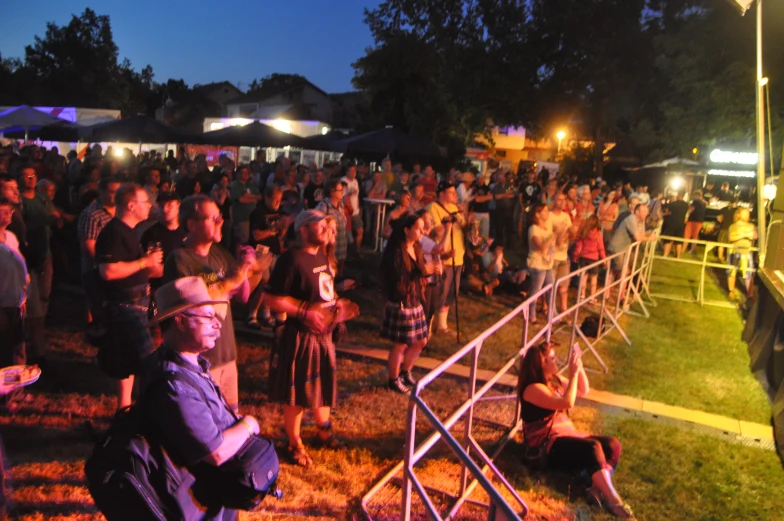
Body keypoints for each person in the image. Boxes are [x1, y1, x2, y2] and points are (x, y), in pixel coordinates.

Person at [140, 276, 259, 521]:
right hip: (197, 506)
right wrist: (249, 424)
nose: (217, 324)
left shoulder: (189, 364)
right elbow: (214, 451)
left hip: (209, 498)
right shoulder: (174, 384)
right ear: (181, 321)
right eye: (207, 317)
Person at [264, 210, 358, 467]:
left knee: (322, 383)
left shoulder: (323, 255)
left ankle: (323, 430)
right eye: (321, 224)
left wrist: (337, 304)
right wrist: (305, 312)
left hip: (324, 333)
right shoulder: (291, 260)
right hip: (301, 335)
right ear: (303, 229)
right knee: (297, 392)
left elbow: (323, 290)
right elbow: (272, 299)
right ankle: (294, 442)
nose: (327, 227)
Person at [164, 195, 265, 413]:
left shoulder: (218, 255)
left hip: (226, 354)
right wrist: (231, 280)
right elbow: (186, 302)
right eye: (213, 218)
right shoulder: (180, 259)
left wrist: (251, 269)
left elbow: (240, 295)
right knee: (206, 422)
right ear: (191, 224)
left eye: (220, 217)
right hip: (199, 359)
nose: (221, 222)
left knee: (230, 416)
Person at [519, 342, 635, 519]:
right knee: (592, 447)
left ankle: (595, 490)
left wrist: (578, 367)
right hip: (547, 446)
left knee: (613, 445)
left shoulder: (553, 380)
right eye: (552, 358)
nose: (556, 360)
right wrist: (572, 375)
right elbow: (567, 402)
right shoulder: (533, 389)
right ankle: (614, 501)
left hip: (566, 436)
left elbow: (583, 390)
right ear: (541, 363)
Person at [95, 183, 162, 410]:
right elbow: (108, 271)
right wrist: (146, 262)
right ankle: (142, 409)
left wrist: (149, 265)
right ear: (131, 205)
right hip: (126, 306)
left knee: (129, 361)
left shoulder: (129, 231)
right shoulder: (114, 232)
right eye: (145, 202)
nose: (149, 206)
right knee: (147, 361)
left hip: (137, 304)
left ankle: (126, 409)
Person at [379, 214, 439, 393]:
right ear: (406, 230)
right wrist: (425, 270)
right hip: (402, 302)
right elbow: (400, 277)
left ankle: (406, 372)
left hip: (415, 300)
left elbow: (420, 272)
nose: (422, 231)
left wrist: (430, 271)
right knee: (401, 344)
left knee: (421, 340)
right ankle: (393, 379)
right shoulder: (396, 253)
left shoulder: (417, 248)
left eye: (423, 228)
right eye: (418, 228)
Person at [78, 178, 120, 330]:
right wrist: (104, 268)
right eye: (112, 192)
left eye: (118, 192)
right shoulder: (92, 214)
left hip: (116, 269)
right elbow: (89, 248)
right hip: (96, 271)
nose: (116, 195)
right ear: (101, 192)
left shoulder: (120, 212)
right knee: (99, 308)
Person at [427, 182, 466, 335]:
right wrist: (450, 222)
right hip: (444, 256)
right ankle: (428, 326)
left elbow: (464, 225)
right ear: (441, 193)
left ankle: (442, 325)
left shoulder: (455, 208)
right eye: (451, 192)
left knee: (451, 292)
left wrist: (463, 214)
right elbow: (436, 230)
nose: (454, 195)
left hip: (458, 255)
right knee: (439, 293)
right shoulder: (433, 208)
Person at [247, 185, 286, 329]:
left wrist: (284, 227)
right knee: (263, 282)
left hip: (274, 251)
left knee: (271, 284)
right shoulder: (258, 213)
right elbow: (256, 235)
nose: (278, 203)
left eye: (280, 200)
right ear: (267, 198)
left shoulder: (278, 213)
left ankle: (266, 313)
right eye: (275, 200)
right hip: (261, 252)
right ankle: (252, 314)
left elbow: (280, 235)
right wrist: (271, 232)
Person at [140, 191, 186, 294]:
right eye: (161, 206)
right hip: (160, 290)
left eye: (170, 205)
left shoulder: (187, 231)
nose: (165, 210)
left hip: (184, 289)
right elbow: (146, 269)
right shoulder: (150, 234)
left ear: (178, 205)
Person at [526, 203, 554, 323]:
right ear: (537, 214)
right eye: (545, 211)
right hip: (537, 264)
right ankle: (531, 314)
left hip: (547, 264)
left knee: (551, 288)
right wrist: (552, 237)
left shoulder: (547, 228)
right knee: (536, 290)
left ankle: (553, 314)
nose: (547, 213)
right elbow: (541, 247)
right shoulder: (534, 229)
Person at [316, 179, 349, 276]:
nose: (342, 192)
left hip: (341, 247)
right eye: (340, 190)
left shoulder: (341, 206)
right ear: (332, 192)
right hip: (330, 250)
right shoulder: (323, 206)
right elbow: (318, 227)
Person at [573, 215, 606, 303]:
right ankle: (592, 297)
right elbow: (601, 247)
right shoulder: (598, 233)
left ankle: (582, 295)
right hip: (593, 259)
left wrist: (575, 256)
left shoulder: (584, 232)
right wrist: (604, 259)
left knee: (583, 277)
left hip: (583, 258)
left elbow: (578, 246)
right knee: (594, 278)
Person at [549, 193, 573, 315]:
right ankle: (549, 309)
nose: (563, 202)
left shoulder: (566, 216)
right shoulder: (549, 216)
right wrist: (557, 236)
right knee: (550, 285)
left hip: (564, 254)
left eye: (564, 199)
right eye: (559, 199)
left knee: (563, 284)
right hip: (552, 255)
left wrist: (569, 234)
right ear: (553, 201)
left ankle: (564, 308)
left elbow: (570, 231)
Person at [726, 207, 757, 299]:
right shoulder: (733, 226)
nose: (747, 215)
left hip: (747, 253)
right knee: (732, 272)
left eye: (748, 214)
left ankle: (750, 293)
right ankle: (731, 291)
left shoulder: (751, 226)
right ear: (739, 215)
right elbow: (731, 237)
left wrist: (739, 235)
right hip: (734, 252)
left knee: (749, 274)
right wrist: (744, 235)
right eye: (745, 213)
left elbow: (754, 236)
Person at [229, 165, 261, 246]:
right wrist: (253, 199)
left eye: (246, 173)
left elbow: (260, 196)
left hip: (252, 218)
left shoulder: (250, 185)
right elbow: (240, 199)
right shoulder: (235, 185)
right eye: (242, 172)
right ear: (237, 174)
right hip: (242, 219)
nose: (244, 174)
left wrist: (248, 196)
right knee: (242, 242)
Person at [341, 165, 364, 255]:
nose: (353, 173)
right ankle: (347, 254)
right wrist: (349, 193)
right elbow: (342, 197)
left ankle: (357, 251)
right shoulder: (343, 181)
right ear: (347, 171)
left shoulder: (355, 181)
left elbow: (357, 196)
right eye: (351, 171)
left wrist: (358, 207)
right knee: (347, 234)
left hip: (355, 211)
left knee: (360, 231)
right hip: (346, 212)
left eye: (354, 171)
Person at [661, 191, 689, 259]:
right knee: (679, 240)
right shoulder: (686, 205)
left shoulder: (673, 204)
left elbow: (667, 212)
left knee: (668, 239)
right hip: (681, 224)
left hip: (671, 223)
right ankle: (678, 256)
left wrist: (663, 214)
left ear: (678, 195)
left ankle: (665, 255)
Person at [684, 190, 706, 255]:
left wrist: (686, 216)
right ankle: (691, 250)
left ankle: (683, 249)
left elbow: (691, 209)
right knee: (695, 236)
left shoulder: (695, 201)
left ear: (697, 196)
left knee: (687, 235)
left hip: (692, 220)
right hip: (700, 221)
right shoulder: (703, 203)